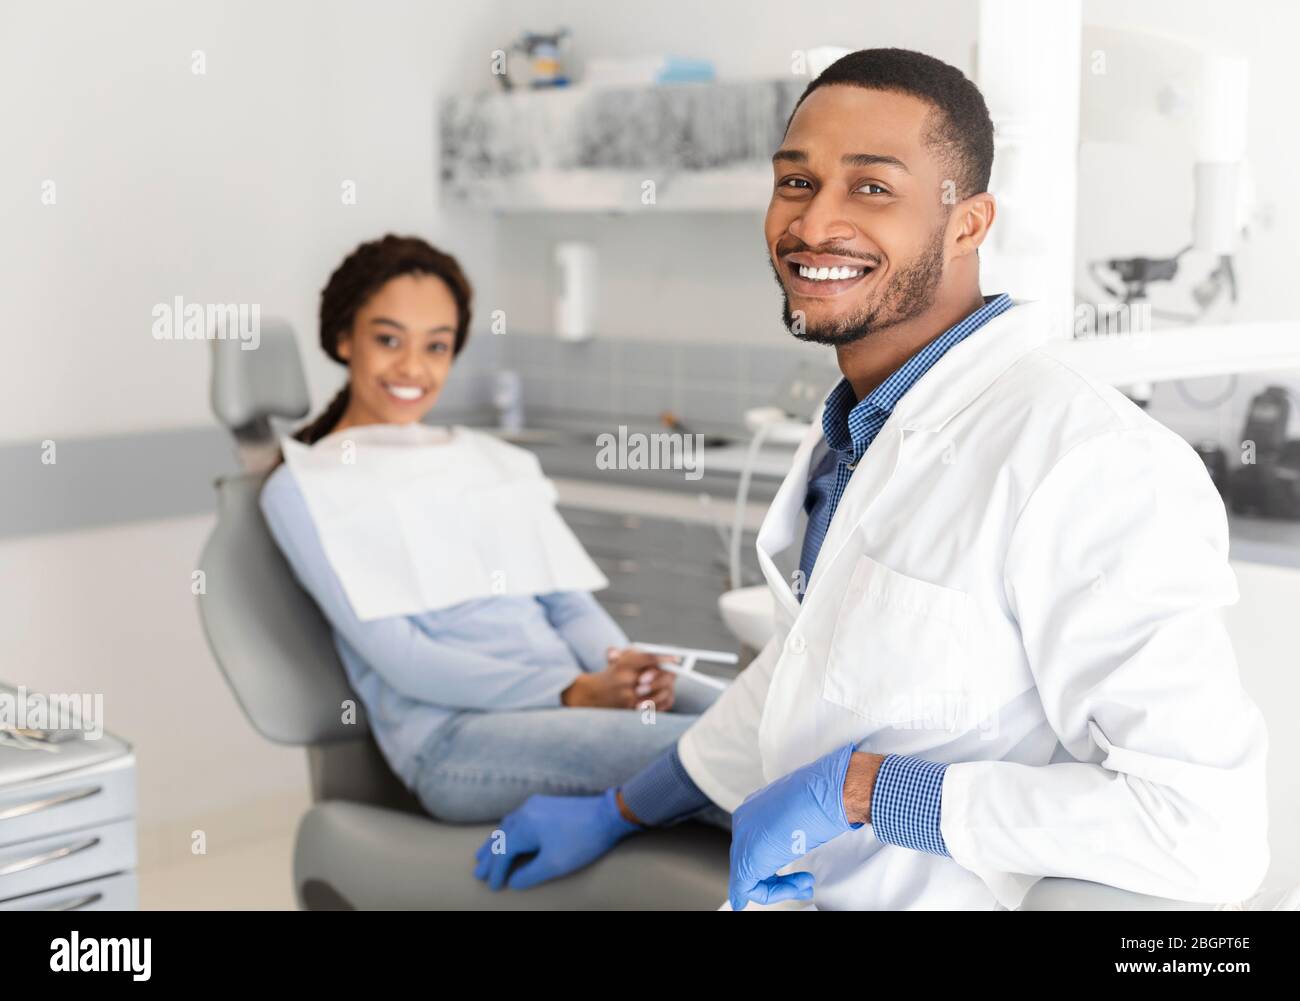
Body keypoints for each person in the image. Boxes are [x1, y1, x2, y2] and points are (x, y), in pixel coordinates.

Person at [473, 48, 1270, 909]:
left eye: (872, 188)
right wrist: (620, 807)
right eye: (796, 182)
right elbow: (808, 671)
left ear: (968, 224)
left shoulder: (1090, 460)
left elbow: (1205, 830)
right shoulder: (859, 430)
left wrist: (864, 789)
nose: (815, 225)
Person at [260, 234, 722, 824]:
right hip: (460, 739)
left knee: (765, 728)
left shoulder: (486, 459)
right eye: (387, 339)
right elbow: (402, 658)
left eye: (436, 346)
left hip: (575, 698)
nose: (412, 367)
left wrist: (625, 673)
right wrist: (572, 692)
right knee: (717, 760)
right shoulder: (307, 486)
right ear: (344, 338)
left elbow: (568, 607)